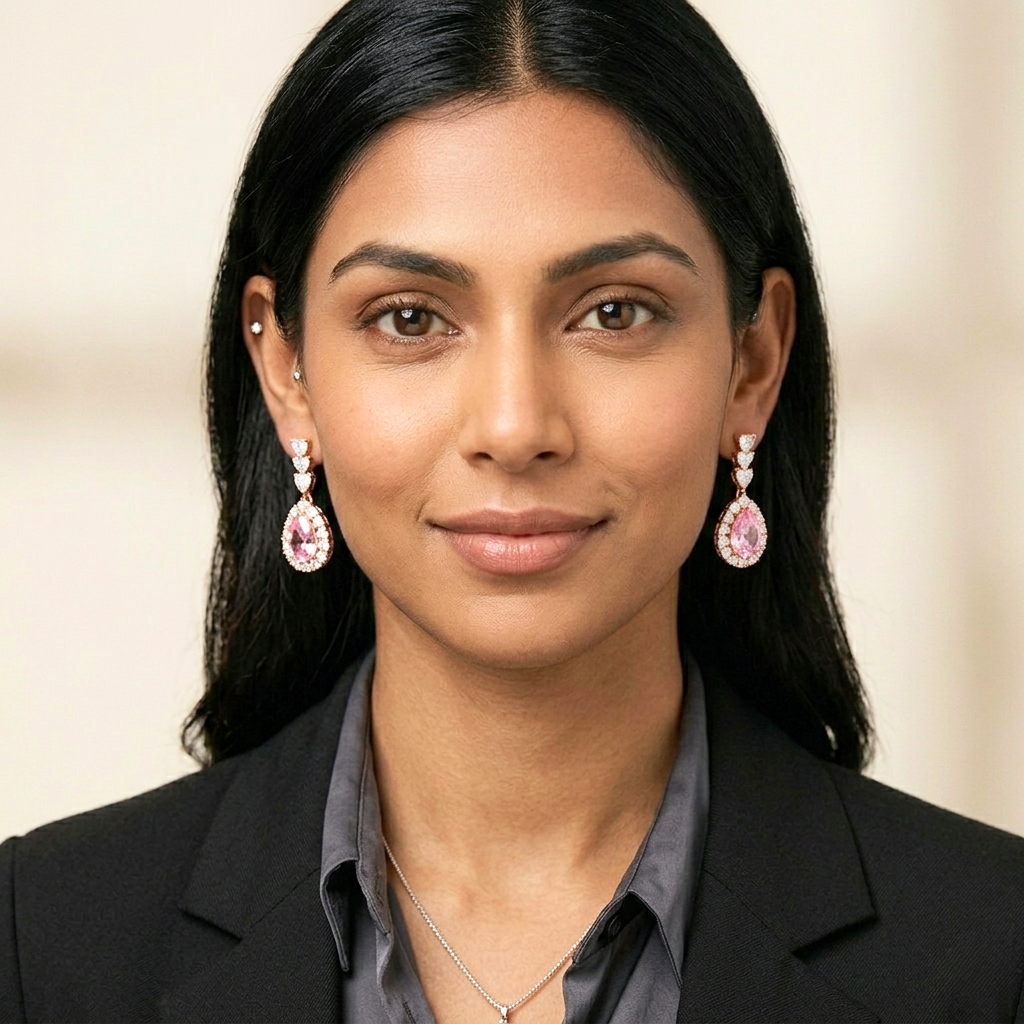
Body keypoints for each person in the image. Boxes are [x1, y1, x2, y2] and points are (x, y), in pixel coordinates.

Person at [3, 0, 1023, 1020]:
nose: (514, 423)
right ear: (286, 370)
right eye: (410, 318)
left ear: (752, 362)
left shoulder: (993, 951)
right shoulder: (40, 945)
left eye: (612, 313)